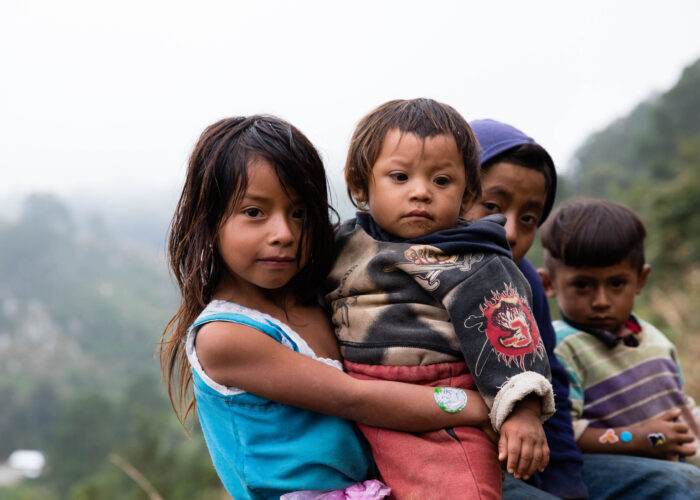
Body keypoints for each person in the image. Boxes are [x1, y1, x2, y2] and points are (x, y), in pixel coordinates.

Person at [159, 115, 499, 500]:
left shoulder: (319, 297)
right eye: (254, 212)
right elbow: (356, 398)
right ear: (209, 220)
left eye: (299, 213)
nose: (284, 234)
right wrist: (480, 405)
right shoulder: (224, 336)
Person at [325, 99, 555, 499]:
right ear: (361, 185)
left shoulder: (476, 259)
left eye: (442, 181)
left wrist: (523, 412)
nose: (421, 193)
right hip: (357, 403)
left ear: (467, 194)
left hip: (442, 412)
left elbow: (512, 337)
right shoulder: (343, 245)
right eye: (400, 176)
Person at [466, 119, 700, 500]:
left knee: (683, 485)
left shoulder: (522, 283)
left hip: (539, 460)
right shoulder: (404, 272)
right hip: (464, 463)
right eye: (491, 206)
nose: (509, 231)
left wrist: (568, 486)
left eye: (528, 219)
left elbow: (552, 396)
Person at [540, 199, 700, 464]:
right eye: (582, 285)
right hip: (643, 477)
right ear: (549, 283)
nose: (601, 301)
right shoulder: (559, 348)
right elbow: (567, 433)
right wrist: (642, 439)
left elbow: (681, 406)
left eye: (616, 283)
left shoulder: (654, 338)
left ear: (640, 280)